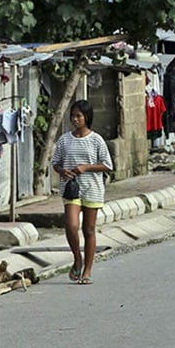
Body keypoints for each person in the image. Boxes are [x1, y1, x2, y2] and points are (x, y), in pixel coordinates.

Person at [52, 100, 113, 285]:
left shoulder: (96, 140)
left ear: (87, 117)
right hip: (71, 188)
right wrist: (63, 171)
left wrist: (86, 167)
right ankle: (77, 258)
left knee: (89, 229)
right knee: (71, 225)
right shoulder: (64, 140)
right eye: (73, 116)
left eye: (79, 116)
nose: (75, 119)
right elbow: (56, 162)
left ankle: (87, 270)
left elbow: (107, 165)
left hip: (92, 188)